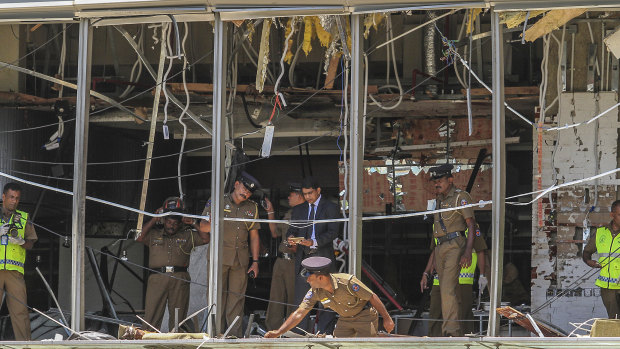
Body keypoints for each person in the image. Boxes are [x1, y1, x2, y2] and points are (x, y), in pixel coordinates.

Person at [264, 257, 394, 338]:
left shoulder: (347, 282)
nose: (307, 280)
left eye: (310, 277)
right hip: (344, 319)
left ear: (321, 277)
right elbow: (299, 313)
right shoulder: (315, 291)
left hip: (364, 316)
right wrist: (278, 332)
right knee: (338, 345)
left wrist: (387, 319)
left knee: (366, 346)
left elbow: (372, 297)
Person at [200, 171, 261, 336]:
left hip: (240, 260)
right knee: (216, 297)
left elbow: (254, 236)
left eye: (249, 192)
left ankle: (234, 336)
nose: (246, 193)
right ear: (236, 184)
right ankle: (215, 334)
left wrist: (255, 261)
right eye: (244, 189)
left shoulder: (252, 208)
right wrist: (213, 222)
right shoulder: (217, 201)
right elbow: (202, 227)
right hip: (218, 258)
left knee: (236, 299)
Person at [136, 197, 209, 331]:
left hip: (179, 278)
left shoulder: (187, 235)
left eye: (175, 223)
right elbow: (139, 237)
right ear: (164, 221)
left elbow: (205, 239)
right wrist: (154, 218)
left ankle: (176, 343)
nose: (171, 226)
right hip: (157, 278)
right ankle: (148, 342)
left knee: (178, 318)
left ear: (180, 223)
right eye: (169, 222)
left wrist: (193, 222)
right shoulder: (154, 234)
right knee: (152, 315)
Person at [287, 176, 340, 334]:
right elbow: (292, 230)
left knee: (326, 300)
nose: (308, 197)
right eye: (305, 194)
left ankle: (324, 334)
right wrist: (290, 238)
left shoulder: (330, 207)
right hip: (304, 260)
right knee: (302, 301)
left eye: (310, 193)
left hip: (323, 258)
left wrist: (314, 241)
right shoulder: (299, 209)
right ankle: (299, 335)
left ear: (318, 190)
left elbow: (333, 232)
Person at [428, 164, 477, 336]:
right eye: (434, 181)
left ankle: (451, 332)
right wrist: (433, 258)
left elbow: (471, 225)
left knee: (447, 289)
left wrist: (468, 251)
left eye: (440, 180)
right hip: (441, 247)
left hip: (455, 245)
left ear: (450, 179)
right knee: (448, 290)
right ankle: (454, 330)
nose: (436, 184)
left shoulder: (460, 197)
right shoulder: (440, 200)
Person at [421, 228, 487, 336]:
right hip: (439, 281)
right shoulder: (437, 225)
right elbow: (435, 250)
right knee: (435, 317)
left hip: (463, 281)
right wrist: (426, 273)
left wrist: (482, 275)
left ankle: (463, 345)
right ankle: (435, 344)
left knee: (462, 318)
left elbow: (480, 250)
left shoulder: (470, 227)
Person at [264, 183, 305, 330]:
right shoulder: (289, 213)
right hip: (281, 260)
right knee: (276, 296)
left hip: (294, 261)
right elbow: (275, 233)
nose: (288, 197)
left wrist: (296, 246)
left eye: (291, 195)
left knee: (293, 298)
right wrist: (270, 212)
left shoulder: (306, 214)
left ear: (299, 196)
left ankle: (291, 330)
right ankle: (272, 329)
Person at [0, 182, 37, 340]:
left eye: (17, 198)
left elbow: (31, 243)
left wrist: (21, 242)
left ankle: (25, 345)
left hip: (15, 272)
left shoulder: (23, 217)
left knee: (20, 311)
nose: (14, 201)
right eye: (11, 197)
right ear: (3, 197)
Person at [583, 199, 620, 319]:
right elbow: (586, 252)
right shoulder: (600, 233)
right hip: (608, 288)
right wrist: (589, 261)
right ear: (612, 215)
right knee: (614, 320)